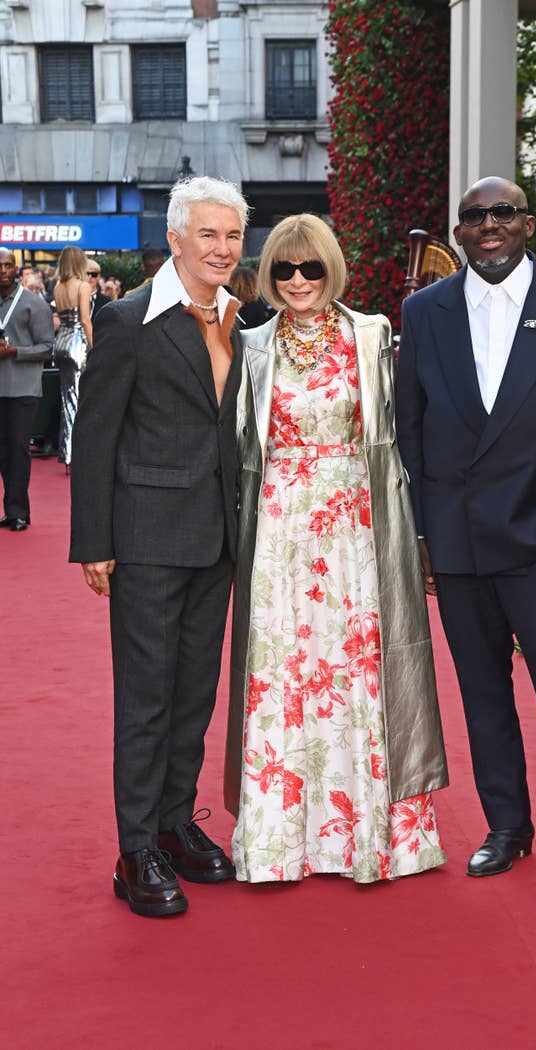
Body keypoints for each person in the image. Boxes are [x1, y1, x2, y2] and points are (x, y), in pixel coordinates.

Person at [396, 176, 536, 896]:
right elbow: (412, 430)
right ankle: (508, 826)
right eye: (473, 216)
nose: (488, 224)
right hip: (459, 539)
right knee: (482, 691)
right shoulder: (425, 310)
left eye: (502, 212)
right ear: (458, 232)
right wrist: (426, 533)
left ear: (528, 222)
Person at [224, 213, 448, 883]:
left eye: (311, 268)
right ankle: (277, 840)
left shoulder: (372, 334)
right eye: (284, 269)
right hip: (277, 530)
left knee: (358, 673)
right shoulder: (253, 343)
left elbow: (409, 428)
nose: (297, 281)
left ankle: (370, 838)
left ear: (332, 270)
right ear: (269, 275)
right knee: (283, 672)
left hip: (355, 529)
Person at [69, 175, 248, 917]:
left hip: (220, 540)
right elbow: (97, 434)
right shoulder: (127, 319)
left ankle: (177, 823)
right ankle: (134, 847)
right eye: (208, 234)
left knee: (195, 694)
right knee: (146, 698)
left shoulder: (245, 319)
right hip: (145, 538)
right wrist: (94, 543)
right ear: (175, 238)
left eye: (233, 236)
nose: (222, 248)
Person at [0, 248, 54, 531]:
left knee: (18, 450)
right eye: (0, 266)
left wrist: (14, 351)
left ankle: (18, 511)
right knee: (3, 453)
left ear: (16, 269)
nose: (3, 271)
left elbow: (48, 348)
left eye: (8, 266)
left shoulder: (34, 304)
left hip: (22, 388)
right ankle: (13, 509)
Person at [52, 247, 93, 469]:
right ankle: (74, 453)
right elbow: (85, 320)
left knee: (67, 400)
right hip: (78, 343)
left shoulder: (58, 286)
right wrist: (94, 347)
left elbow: (60, 317)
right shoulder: (83, 286)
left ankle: (67, 452)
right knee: (80, 400)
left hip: (61, 343)